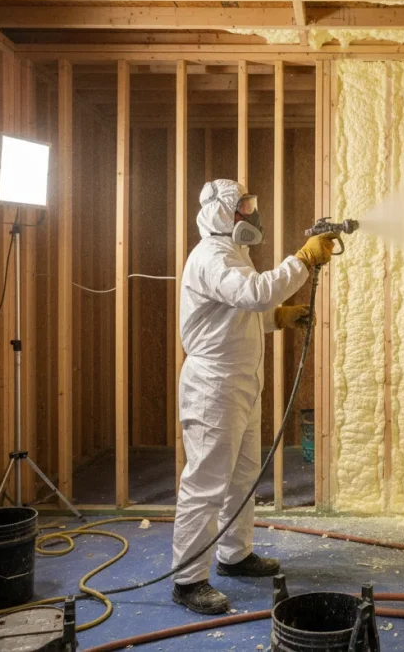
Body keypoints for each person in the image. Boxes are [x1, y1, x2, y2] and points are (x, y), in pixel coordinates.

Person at [171, 178, 336, 614]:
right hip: (213, 384)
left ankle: (235, 555)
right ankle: (188, 580)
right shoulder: (212, 256)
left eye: (251, 204)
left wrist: (277, 318)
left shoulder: (234, 253)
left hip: (240, 381)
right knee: (207, 481)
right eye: (244, 206)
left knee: (242, 476)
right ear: (223, 212)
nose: (252, 213)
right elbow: (255, 292)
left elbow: (239, 311)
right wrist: (302, 260)